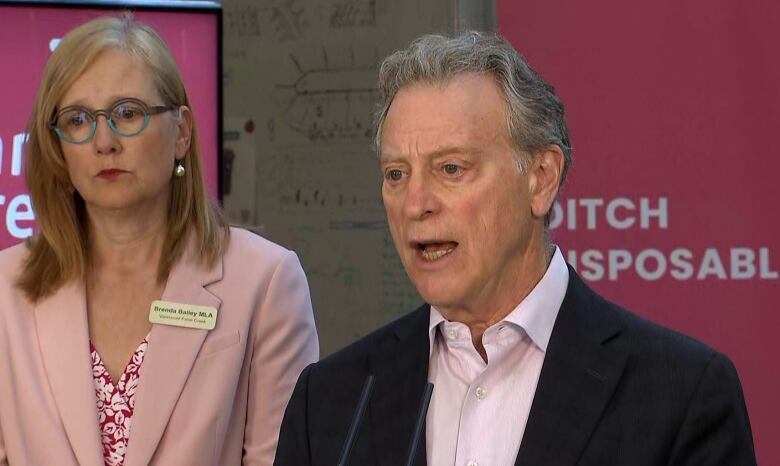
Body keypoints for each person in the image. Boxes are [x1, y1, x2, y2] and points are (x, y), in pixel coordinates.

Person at [274, 32, 756, 466]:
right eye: (396, 174)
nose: (415, 204)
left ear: (541, 179)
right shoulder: (334, 399)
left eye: (451, 169)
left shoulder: (682, 395)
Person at [0, 15, 318, 466]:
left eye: (127, 113)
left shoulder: (265, 281)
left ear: (182, 132)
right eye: (77, 120)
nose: (103, 141)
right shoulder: (5, 288)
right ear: (58, 148)